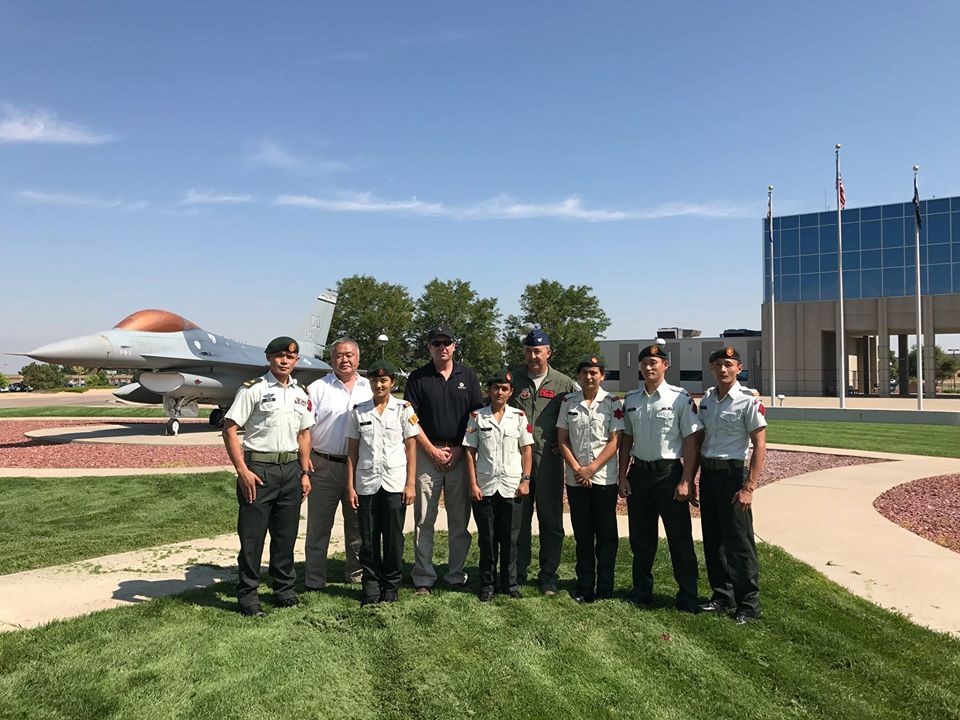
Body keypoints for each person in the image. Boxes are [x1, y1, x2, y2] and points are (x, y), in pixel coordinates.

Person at [222, 336, 314, 617]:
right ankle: (248, 594)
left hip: (290, 470)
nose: (284, 361)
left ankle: (284, 589)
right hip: (259, 471)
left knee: (286, 536)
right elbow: (230, 429)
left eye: (290, 357)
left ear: (296, 361)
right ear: (268, 358)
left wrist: (305, 471)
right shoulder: (254, 389)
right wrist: (242, 471)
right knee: (252, 538)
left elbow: (304, 433)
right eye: (279, 356)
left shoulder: (301, 393)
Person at [617, 343, 702, 613]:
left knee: (680, 539)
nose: (649, 367)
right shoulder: (631, 399)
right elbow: (626, 439)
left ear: (666, 365)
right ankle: (641, 591)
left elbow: (691, 440)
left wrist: (687, 479)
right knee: (641, 539)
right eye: (645, 363)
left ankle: (688, 596)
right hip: (639, 474)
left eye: (655, 362)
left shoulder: (679, 398)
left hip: (669, 475)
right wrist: (622, 475)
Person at [403, 324, 483, 594]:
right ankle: (423, 577)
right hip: (428, 454)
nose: (442, 348)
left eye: (446, 342)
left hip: (460, 455)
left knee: (459, 520)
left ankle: (455, 574)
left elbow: (476, 416)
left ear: (454, 345)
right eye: (436, 343)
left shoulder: (468, 376)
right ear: (430, 348)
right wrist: (430, 449)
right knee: (424, 519)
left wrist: (460, 448)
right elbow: (411, 418)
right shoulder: (418, 377)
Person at [696, 346, 767, 624]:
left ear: (738, 368)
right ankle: (721, 595)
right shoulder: (708, 400)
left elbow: (760, 444)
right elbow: (700, 439)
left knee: (739, 543)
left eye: (728, 364)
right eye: (717, 365)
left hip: (733, 476)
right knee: (714, 540)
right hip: (709, 475)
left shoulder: (748, 400)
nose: (722, 369)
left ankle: (749, 604)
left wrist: (749, 486)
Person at [345, 360, 420, 606]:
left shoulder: (404, 409)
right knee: (367, 538)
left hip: (394, 483)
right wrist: (350, 486)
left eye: (384, 380)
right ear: (370, 383)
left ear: (392, 383)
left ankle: (391, 584)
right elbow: (352, 453)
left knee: (393, 538)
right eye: (375, 380)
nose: (379, 384)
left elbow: (411, 449)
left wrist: (410, 484)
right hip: (366, 483)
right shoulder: (358, 411)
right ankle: (371, 585)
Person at [510, 327, 578, 595]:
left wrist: (567, 444)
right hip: (517, 462)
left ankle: (548, 575)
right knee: (519, 521)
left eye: (538, 351)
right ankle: (518, 571)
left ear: (549, 352)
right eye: (528, 351)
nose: (533, 355)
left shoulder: (565, 384)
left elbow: (581, 414)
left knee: (551, 521)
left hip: (549, 464)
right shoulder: (513, 380)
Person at [303, 338, 371, 591]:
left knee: (357, 526)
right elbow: (305, 427)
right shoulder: (317, 388)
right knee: (319, 526)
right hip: (324, 465)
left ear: (358, 359)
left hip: (360, 467)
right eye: (339, 355)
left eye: (350, 355)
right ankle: (314, 579)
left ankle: (356, 575)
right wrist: (305, 461)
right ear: (332, 360)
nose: (345, 359)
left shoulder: (369, 388)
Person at [556, 355, 623, 603]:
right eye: (584, 372)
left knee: (606, 535)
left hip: (604, 478)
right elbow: (562, 439)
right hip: (576, 479)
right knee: (583, 534)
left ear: (602, 375)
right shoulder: (568, 401)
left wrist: (591, 468)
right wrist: (577, 468)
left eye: (594, 372)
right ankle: (585, 586)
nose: (589, 377)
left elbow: (615, 440)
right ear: (579, 376)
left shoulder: (612, 402)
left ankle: (605, 587)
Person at [463, 369, 534, 601]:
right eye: (495, 388)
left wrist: (525, 480)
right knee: (488, 539)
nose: (500, 392)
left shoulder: (519, 417)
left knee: (511, 538)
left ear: (510, 392)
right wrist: (472, 484)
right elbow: (469, 452)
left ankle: (510, 583)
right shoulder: (477, 417)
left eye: (504, 388)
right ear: (489, 391)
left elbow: (526, 450)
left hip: (512, 486)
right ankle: (487, 584)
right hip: (485, 485)